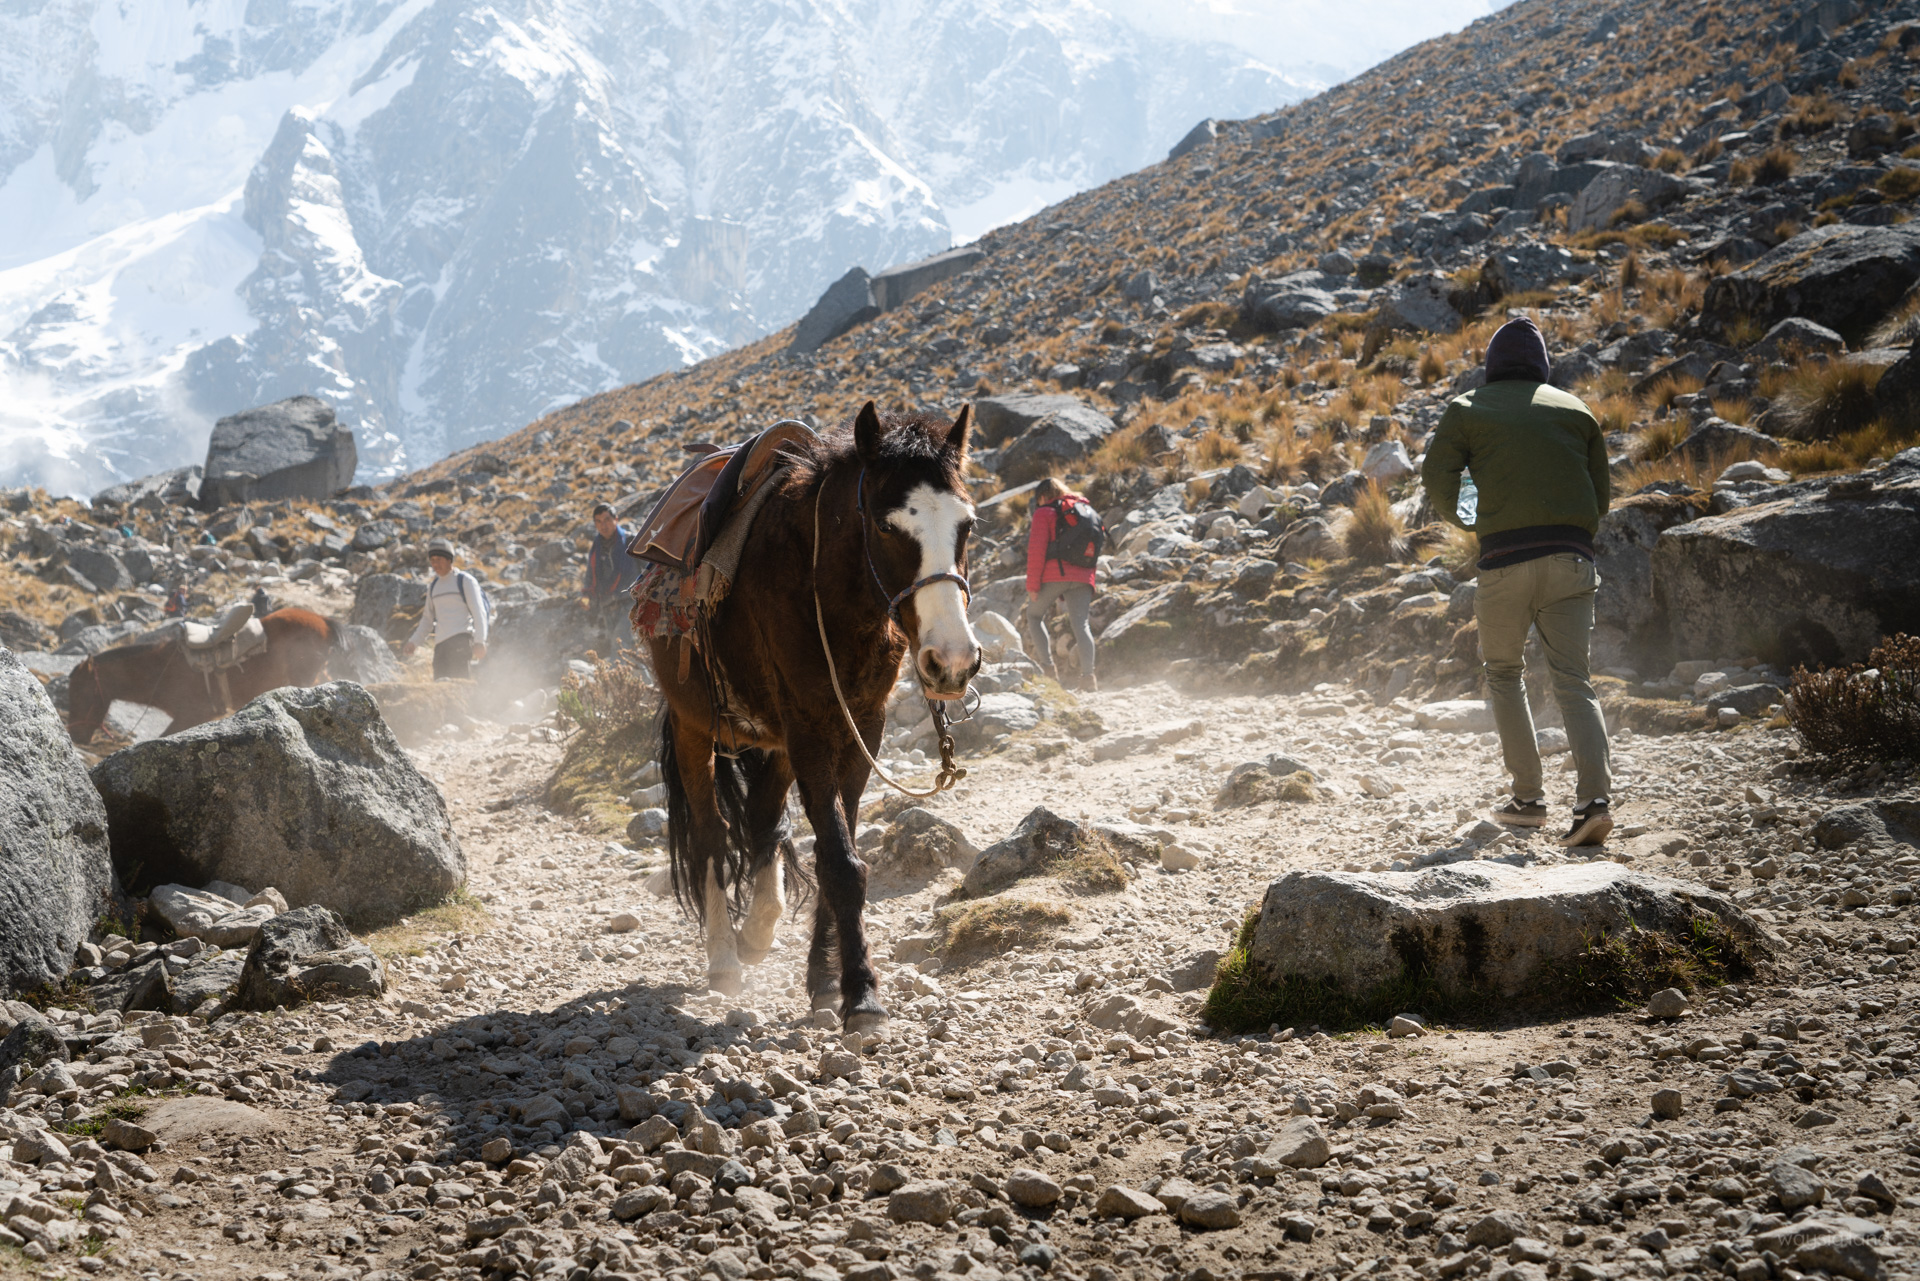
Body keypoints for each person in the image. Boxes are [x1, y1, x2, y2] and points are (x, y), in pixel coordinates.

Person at [1422, 316, 1614, 847]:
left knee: (1505, 672)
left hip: (1505, 560)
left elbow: (1436, 475)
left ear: (1491, 367)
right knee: (1575, 680)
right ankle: (1594, 803)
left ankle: (1528, 800)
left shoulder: (1467, 409)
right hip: (1573, 560)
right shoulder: (1577, 411)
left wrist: (1468, 519)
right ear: (1542, 367)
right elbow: (1601, 496)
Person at [1024, 477, 1102, 691]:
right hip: (1083, 577)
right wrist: (1089, 579)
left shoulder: (1044, 512)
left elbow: (1037, 551)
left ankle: (1049, 673)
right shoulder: (1085, 511)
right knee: (1081, 624)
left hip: (1054, 575)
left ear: (1042, 496)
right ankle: (1088, 679)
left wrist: (1033, 586)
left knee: (1034, 616)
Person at [403, 539, 489, 680]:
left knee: (460, 686)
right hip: (440, 647)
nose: (435, 564)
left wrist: (480, 641)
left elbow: (479, 612)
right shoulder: (433, 586)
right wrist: (414, 642)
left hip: (461, 640)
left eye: (439, 559)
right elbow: (427, 620)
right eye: (432, 560)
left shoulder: (465, 581)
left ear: (449, 559)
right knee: (440, 687)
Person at [582, 501, 640, 656]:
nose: (603, 525)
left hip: (630, 603)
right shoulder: (596, 547)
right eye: (599, 522)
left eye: (607, 520)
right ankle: (638, 679)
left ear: (616, 519)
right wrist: (587, 595)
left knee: (620, 644)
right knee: (624, 648)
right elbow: (590, 574)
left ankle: (631, 680)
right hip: (607, 605)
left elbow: (649, 569)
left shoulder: (630, 541)